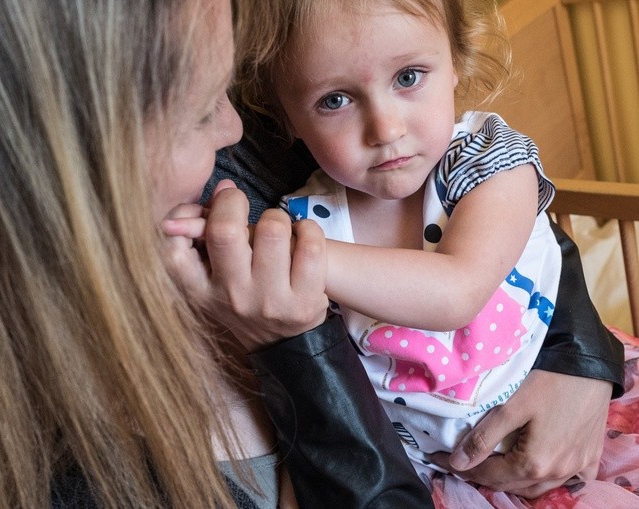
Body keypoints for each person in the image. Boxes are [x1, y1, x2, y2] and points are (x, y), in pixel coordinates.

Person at [0, 1, 433, 508]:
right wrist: (298, 349)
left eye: (228, 87)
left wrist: (524, 363)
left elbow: (447, 187)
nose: (234, 126)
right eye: (198, 111)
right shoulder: (29, 475)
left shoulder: (237, 166)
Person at [201, 0, 626, 499]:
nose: (385, 129)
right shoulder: (301, 214)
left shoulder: (489, 161)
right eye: (335, 100)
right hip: (433, 477)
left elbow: (455, 292)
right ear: (286, 117)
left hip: (576, 435)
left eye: (408, 77)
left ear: (457, 62)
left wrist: (281, 253)